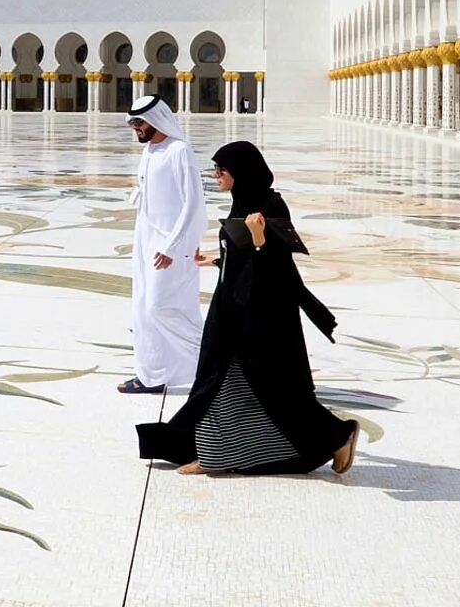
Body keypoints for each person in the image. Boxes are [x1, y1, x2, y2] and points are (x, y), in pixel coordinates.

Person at [136, 140, 360, 476]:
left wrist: (259, 239)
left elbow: (279, 268)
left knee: (275, 388)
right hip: (233, 308)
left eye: (221, 170)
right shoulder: (242, 201)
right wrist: (215, 259)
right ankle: (207, 451)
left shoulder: (270, 205)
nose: (216, 176)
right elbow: (240, 257)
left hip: (262, 316)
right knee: (220, 382)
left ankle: (338, 436)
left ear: (240, 172)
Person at [118, 94, 208, 395]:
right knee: (144, 308)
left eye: (139, 123)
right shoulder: (152, 150)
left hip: (171, 246)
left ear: (155, 120)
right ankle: (151, 375)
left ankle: (216, 362)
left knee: (163, 308)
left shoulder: (178, 150)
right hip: (147, 241)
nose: (135, 128)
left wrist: (173, 247)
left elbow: (193, 203)